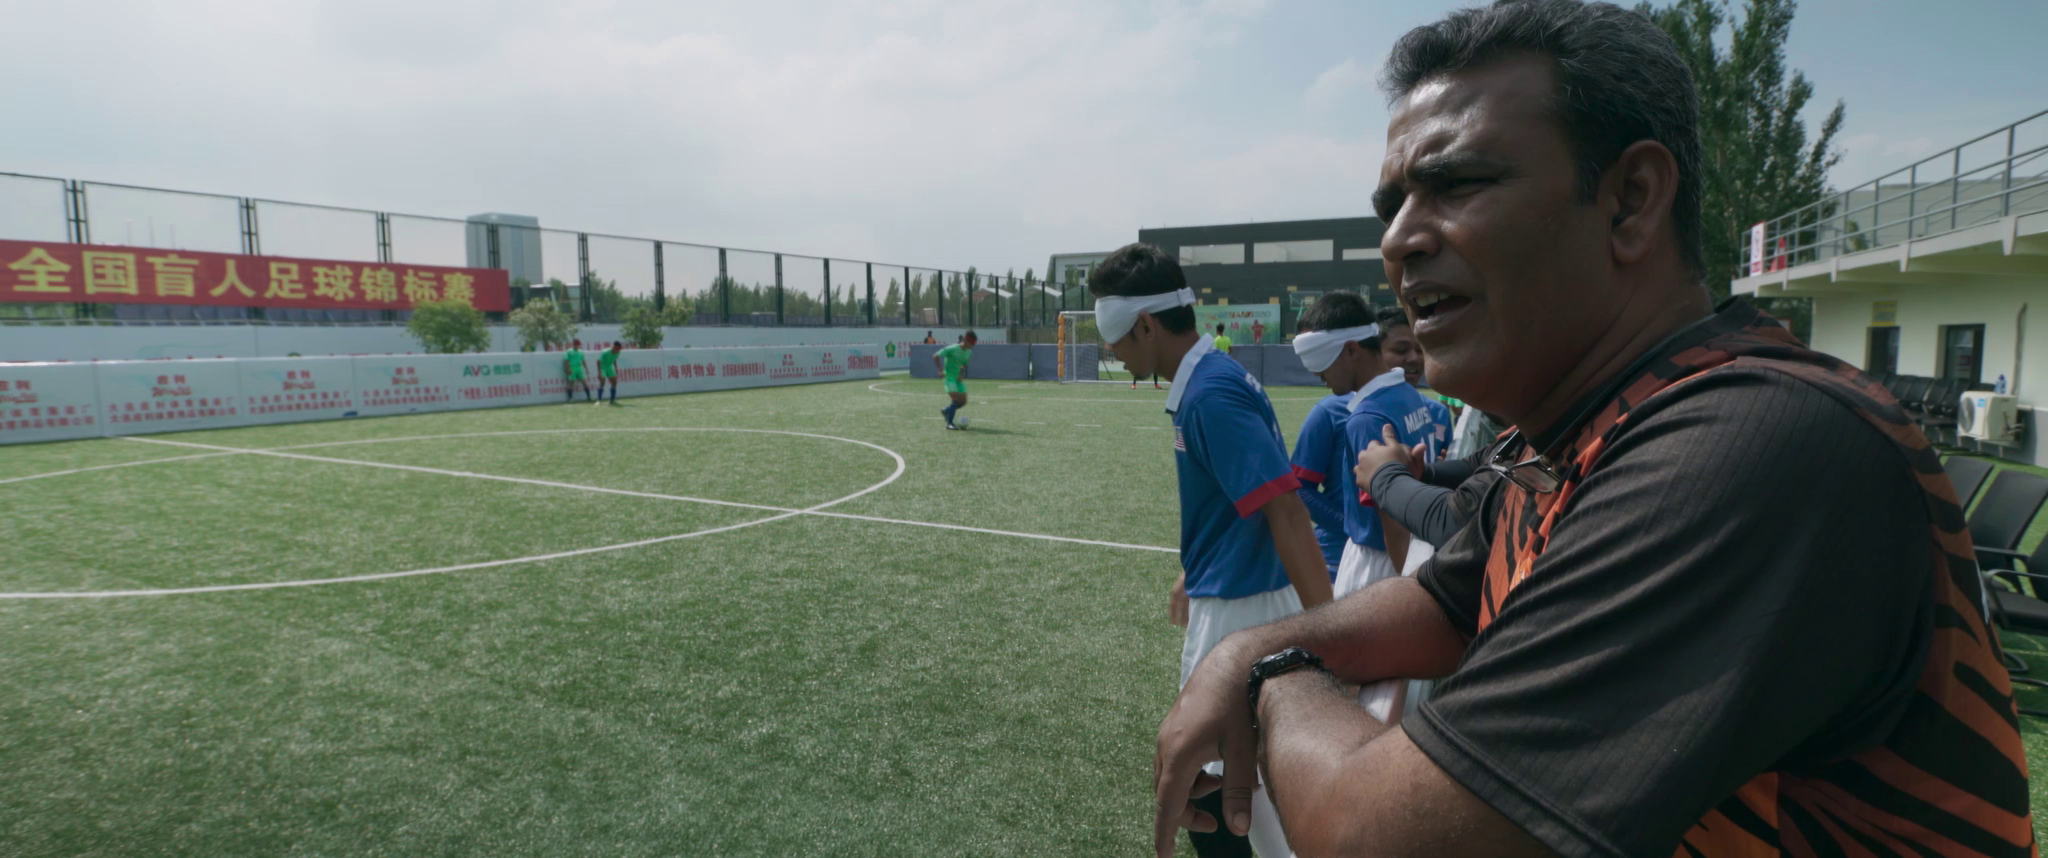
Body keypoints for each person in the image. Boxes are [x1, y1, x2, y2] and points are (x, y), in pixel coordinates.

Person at [1150, 3, 2032, 856]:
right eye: (1393, 206)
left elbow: (1375, 840)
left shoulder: (1750, 445)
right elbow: (1443, 603)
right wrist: (1254, 647)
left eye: (1456, 182)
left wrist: (1272, 678)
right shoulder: (1568, 435)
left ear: (1631, 202)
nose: (1401, 240)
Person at [1093, 242, 1331, 858]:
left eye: (1114, 335)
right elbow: (1243, 501)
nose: (1111, 352)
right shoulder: (1205, 381)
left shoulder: (1211, 394)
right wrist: (1192, 570)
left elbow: (1285, 509)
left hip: (1242, 612)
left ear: (1145, 324)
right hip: (1227, 590)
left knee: (1236, 798)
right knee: (1218, 783)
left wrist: (1333, 633)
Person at [935, 331, 976, 429]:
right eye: (971, 343)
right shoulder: (952, 348)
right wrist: (940, 371)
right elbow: (936, 356)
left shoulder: (968, 352)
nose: (972, 346)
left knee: (963, 402)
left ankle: (947, 411)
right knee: (955, 399)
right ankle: (949, 423)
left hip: (958, 379)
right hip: (949, 378)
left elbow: (964, 364)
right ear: (965, 340)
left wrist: (962, 374)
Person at [562, 339, 593, 403]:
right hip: (572, 368)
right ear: (574, 344)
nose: (578, 346)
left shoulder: (581, 352)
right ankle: (570, 398)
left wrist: (586, 369)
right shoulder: (568, 351)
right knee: (571, 383)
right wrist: (568, 368)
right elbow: (566, 361)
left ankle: (589, 397)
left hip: (580, 368)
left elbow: (583, 361)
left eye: (579, 344)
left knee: (584, 382)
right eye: (577, 344)